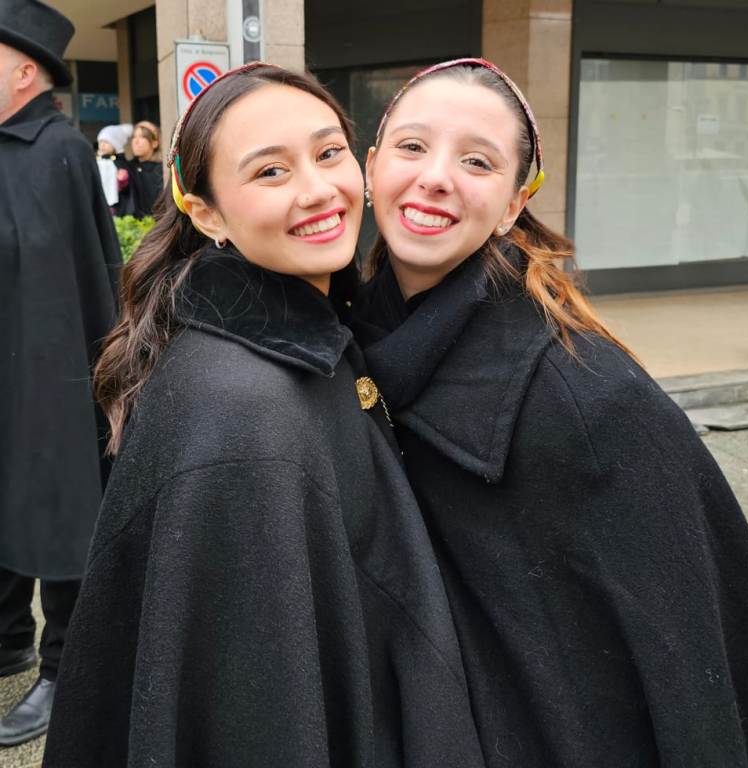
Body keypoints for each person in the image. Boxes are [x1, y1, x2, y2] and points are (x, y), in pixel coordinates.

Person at [354, 58, 748, 767]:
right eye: (412, 146)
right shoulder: (346, 342)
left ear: (514, 203)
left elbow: (696, 670)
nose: (436, 177)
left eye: (477, 161)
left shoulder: (592, 398)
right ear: (372, 167)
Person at [42, 63, 484, 767]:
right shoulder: (244, 411)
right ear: (206, 213)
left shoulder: (308, 333)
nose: (318, 190)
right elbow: (257, 719)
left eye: (329, 152)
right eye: (270, 172)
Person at [0, 0, 122, 748]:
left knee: (60, 502)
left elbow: (85, 275)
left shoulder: (61, 151)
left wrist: (97, 380)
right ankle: (9, 640)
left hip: (53, 370)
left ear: (23, 71)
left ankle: (64, 667)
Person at [121, 119, 163, 217]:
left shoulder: (163, 170)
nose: (136, 141)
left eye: (142, 137)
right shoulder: (127, 168)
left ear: (154, 143)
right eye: (134, 137)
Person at [96, 122, 132, 212]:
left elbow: (128, 188)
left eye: (106, 142)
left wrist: (123, 181)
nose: (102, 145)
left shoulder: (120, 162)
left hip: (116, 203)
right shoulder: (96, 160)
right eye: (100, 141)